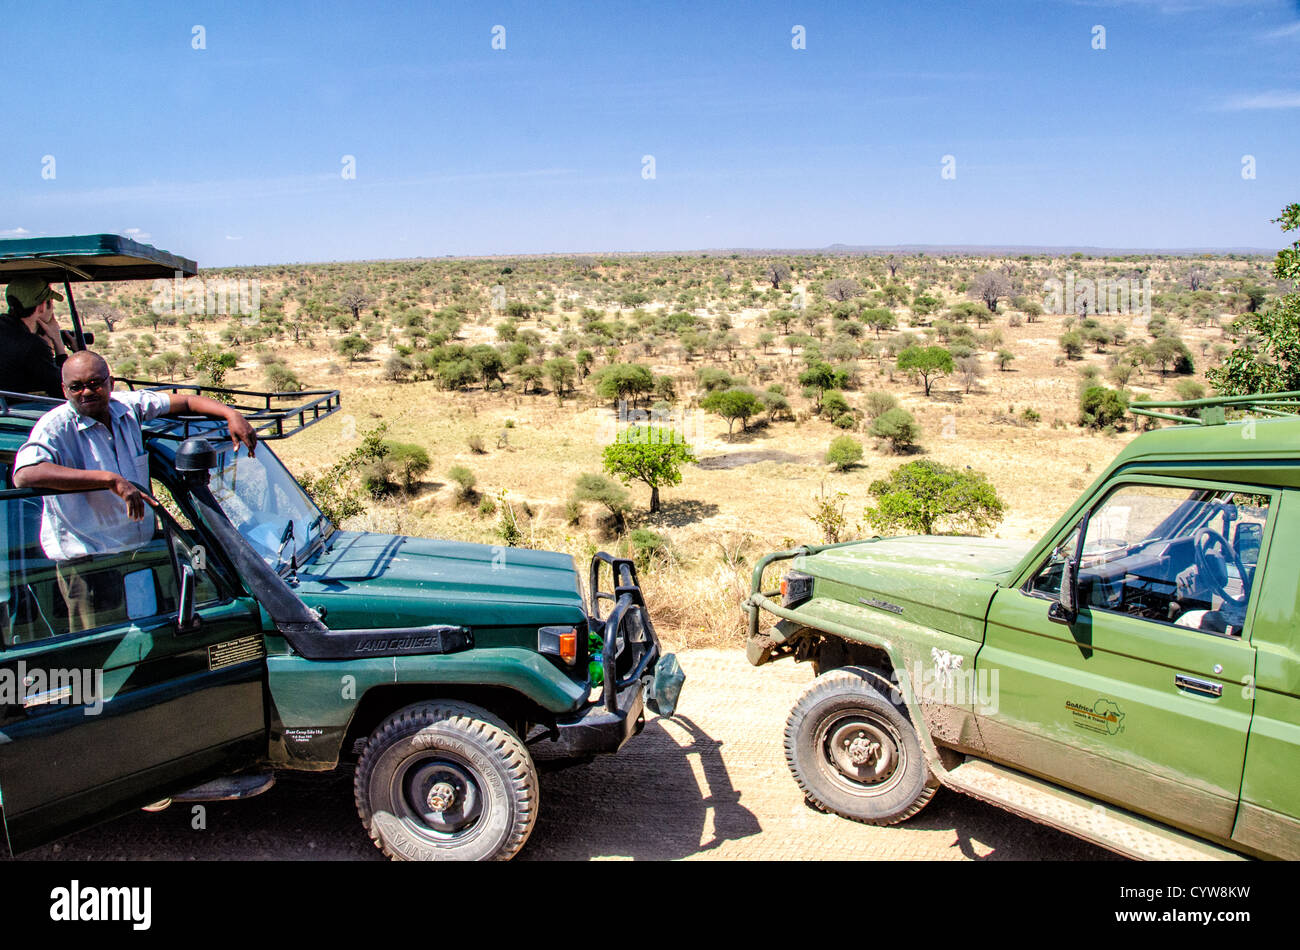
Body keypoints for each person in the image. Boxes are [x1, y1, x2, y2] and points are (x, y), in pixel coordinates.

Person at [12, 351, 258, 630]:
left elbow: (186, 401)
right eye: (76, 386)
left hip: (139, 555)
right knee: (104, 652)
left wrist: (230, 413)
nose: (86, 392)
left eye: (94, 383)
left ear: (110, 382)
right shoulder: (55, 428)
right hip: (89, 566)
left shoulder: (127, 408)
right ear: (64, 389)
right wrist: (109, 479)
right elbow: (25, 474)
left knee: (149, 643)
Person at [1, 277, 69, 398]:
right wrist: (59, 345)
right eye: (51, 304)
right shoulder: (31, 345)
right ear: (42, 306)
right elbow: (64, 391)